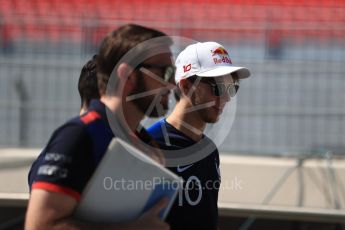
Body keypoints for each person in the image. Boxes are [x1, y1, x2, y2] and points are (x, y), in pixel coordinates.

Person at [25, 24, 175, 230]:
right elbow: (40, 226)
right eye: (165, 73)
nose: (172, 84)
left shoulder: (147, 144)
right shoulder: (80, 135)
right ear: (128, 75)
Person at [147, 41, 251, 230]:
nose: (226, 98)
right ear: (186, 86)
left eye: (232, 87)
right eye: (218, 87)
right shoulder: (150, 144)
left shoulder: (210, 151)